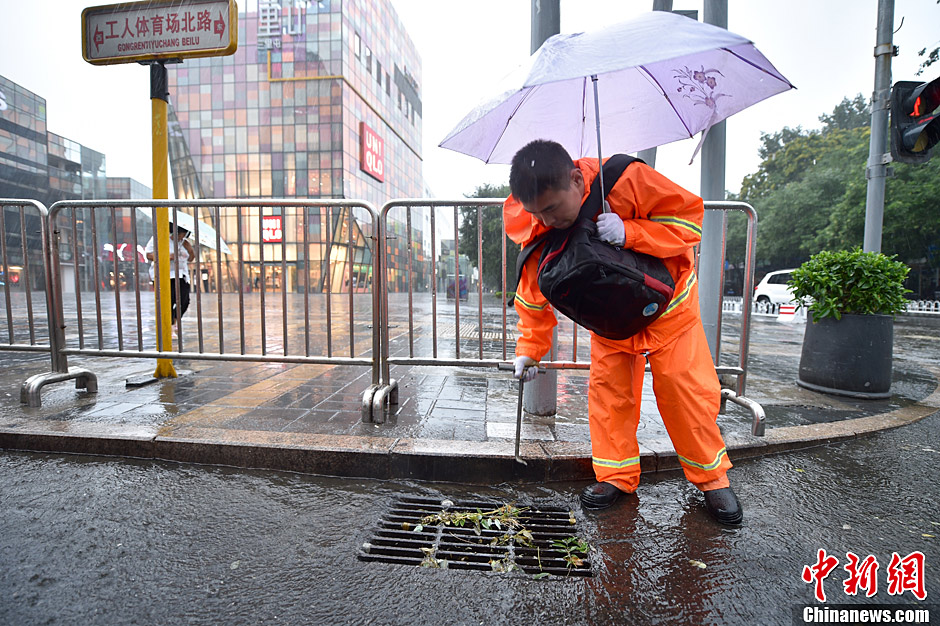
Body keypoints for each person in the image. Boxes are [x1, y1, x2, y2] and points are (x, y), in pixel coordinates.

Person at [504, 139, 742, 525]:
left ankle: (712, 479)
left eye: (552, 209)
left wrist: (630, 232)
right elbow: (532, 294)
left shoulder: (626, 178)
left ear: (576, 179)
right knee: (610, 398)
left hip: (668, 306)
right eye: (537, 213)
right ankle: (615, 476)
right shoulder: (536, 220)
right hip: (611, 321)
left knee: (686, 393)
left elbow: (687, 223)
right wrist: (528, 351)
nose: (545, 221)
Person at [144, 223, 196, 329]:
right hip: (164, 275)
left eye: (184, 235)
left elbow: (190, 259)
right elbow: (149, 255)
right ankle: (169, 325)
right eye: (180, 235)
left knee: (185, 300)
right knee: (169, 300)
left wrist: (191, 251)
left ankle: (174, 321)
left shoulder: (184, 243)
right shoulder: (159, 238)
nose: (181, 238)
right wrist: (166, 256)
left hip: (181, 275)